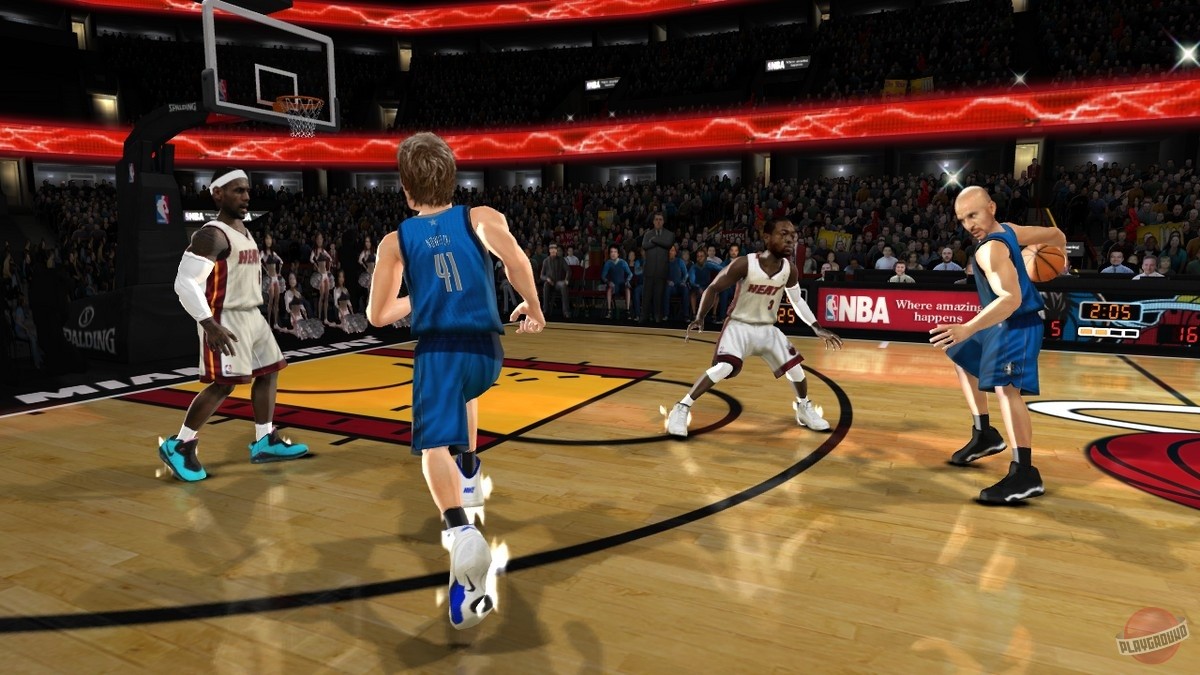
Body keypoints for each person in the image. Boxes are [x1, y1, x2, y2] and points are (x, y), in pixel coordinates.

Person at [366, 132, 544, 630]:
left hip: (440, 351)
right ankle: (469, 471)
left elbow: (378, 315)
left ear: (407, 190)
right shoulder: (481, 217)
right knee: (466, 394)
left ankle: (460, 535)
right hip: (487, 353)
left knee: (431, 447)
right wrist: (533, 306)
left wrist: (421, 296)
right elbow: (516, 262)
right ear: (452, 178)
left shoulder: (396, 241)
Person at [158, 167, 309, 483]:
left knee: (269, 372)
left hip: (252, 314)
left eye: (247, 190)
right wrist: (208, 323)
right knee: (224, 384)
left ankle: (264, 441)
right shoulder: (211, 234)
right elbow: (184, 282)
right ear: (217, 193)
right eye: (238, 190)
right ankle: (179, 445)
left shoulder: (244, 230)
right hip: (225, 317)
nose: (246, 196)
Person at [930, 186, 1066, 504]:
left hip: (1018, 322)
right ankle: (985, 435)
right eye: (962, 219)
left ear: (991, 207)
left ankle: (1025, 474)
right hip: (999, 321)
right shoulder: (1011, 231)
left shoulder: (990, 250)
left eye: (973, 215)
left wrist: (968, 327)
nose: (969, 224)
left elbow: (1011, 299)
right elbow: (1056, 234)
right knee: (960, 353)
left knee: (1007, 390)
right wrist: (1061, 255)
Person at [666, 218, 843, 438]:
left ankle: (803, 407)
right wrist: (700, 316)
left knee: (796, 369)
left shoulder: (790, 269)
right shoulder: (745, 263)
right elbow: (713, 288)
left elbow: (797, 300)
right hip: (739, 325)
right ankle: (681, 407)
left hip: (767, 329)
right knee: (724, 368)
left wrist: (816, 327)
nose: (790, 239)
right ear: (767, 237)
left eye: (793, 235)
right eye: (783, 234)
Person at [640, 212, 674, 322]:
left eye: (660, 219)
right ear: (653, 221)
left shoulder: (669, 234)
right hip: (649, 269)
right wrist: (659, 241)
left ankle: (657, 317)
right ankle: (644, 316)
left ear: (663, 221)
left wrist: (654, 240)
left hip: (661, 269)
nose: (658, 221)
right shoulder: (647, 234)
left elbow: (668, 244)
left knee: (659, 296)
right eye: (656, 219)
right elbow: (645, 246)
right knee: (646, 296)